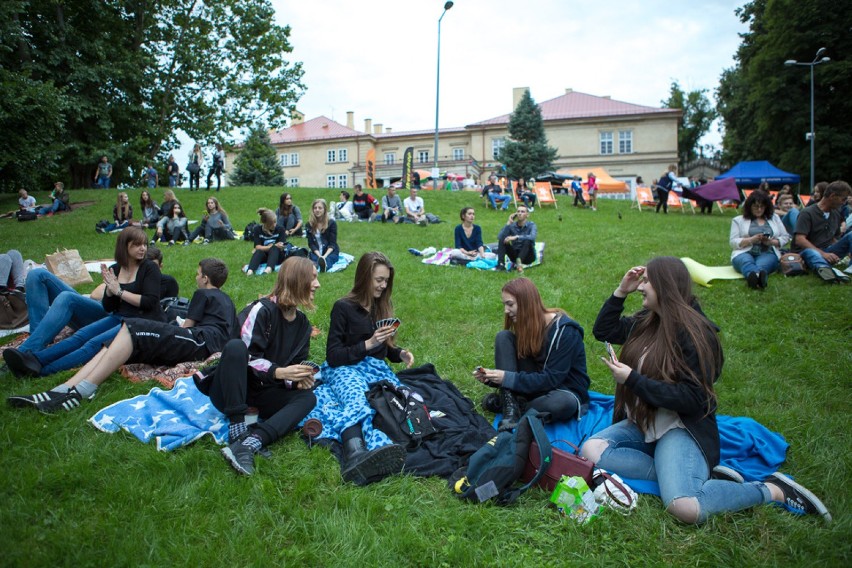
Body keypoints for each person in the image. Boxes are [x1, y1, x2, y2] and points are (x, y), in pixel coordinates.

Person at [582, 257, 831, 525]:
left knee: (685, 508)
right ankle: (693, 476)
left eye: (647, 281)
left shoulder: (695, 334)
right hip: (645, 421)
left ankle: (773, 490)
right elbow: (604, 331)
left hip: (680, 426)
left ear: (665, 286)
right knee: (591, 450)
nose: (641, 287)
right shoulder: (649, 320)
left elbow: (692, 399)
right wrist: (621, 291)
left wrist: (633, 379)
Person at [11, 259, 237, 414]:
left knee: (132, 326)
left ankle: (79, 391)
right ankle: (63, 389)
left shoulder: (204, 293)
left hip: (199, 339)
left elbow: (188, 326)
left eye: (198, 274)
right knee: (122, 333)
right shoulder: (226, 301)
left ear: (206, 279)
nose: (196, 278)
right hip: (203, 339)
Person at [195, 257, 320, 476]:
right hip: (233, 391)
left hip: (264, 395)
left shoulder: (302, 325)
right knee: (234, 348)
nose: (317, 285)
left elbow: (292, 368)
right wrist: (278, 372)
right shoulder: (262, 310)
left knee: (308, 397)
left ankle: (251, 441)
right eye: (313, 278)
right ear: (296, 280)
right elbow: (243, 356)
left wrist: (297, 380)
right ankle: (237, 429)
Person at [4, 227, 165, 381]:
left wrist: (119, 292)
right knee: (80, 336)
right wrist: (109, 291)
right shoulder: (115, 269)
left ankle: (40, 370)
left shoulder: (149, 268)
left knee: (92, 344)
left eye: (144, 244)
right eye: (137, 245)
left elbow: (150, 302)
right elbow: (108, 307)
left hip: (140, 322)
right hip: (118, 316)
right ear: (124, 246)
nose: (143, 248)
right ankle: (33, 358)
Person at [324, 252, 413, 484]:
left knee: (398, 400)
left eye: (386, 281)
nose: (384, 286)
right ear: (364, 277)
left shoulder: (381, 306)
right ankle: (355, 454)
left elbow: (382, 349)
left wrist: (399, 353)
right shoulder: (343, 307)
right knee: (356, 396)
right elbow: (333, 356)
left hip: (374, 368)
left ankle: (381, 449)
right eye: (379, 280)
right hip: (345, 367)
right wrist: (369, 343)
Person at [474, 277, 589, 431]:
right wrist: (492, 379)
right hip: (536, 385)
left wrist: (506, 378)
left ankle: (514, 406)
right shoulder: (527, 324)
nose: (506, 311)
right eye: (505, 305)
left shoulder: (566, 332)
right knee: (504, 337)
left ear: (526, 302)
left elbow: (552, 379)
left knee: (562, 403)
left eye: (510, 304)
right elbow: (528, 365)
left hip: (562, 388)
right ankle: (510, 406)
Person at [792, 180, 852, 281]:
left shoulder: (836, 213)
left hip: (827, 251)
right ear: (833, 196)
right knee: (811, 252)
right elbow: (800, 239)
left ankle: (849, 268)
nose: (844, 202)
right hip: (805, 253)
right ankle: (827, 271)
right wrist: (823, 254)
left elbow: (833, 238)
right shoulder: (807, 213)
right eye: (843, 199)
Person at [729, 190, 790, 289]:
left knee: (763, 264)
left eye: (762, 206)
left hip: (767, 252)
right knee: (746, 261)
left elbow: (785, 237)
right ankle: (756, 277)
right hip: (744, 251)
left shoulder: (775, 218)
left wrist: (771, 242)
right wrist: (751, 240)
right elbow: (733, 242)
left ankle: (755, 277)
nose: (759, 209)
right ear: (749, 207)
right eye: (755, 207)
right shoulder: (738, 220)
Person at [496, 205, 537, 272]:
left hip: (528, 256)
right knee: (502, 240)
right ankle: (501, 265)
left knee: (528, 240)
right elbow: (500, 237)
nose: (520, 213)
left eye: (522, 211)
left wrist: (516, 237)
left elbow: (532, 237)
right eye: (518, 211)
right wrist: (508, 223)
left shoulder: (531, 225)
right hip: (515, 254)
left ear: (527, 215)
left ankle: (519, 262)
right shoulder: (512, 226)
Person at [247, 208, 286, 276]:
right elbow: (257, 247)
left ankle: (268, 269)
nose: (274, 225)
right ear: (265, 223)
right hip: (264, 255)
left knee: (274, 248)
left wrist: (272, 247)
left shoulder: (280, 229)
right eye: (272, 223)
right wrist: (270, 246)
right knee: (259, 252)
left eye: (275, 222)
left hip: (277, 256)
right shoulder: (257, 229)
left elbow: (281, 246)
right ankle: (250, 271)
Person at [306, 199, 339, 273]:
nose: (317, 210)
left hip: (330, 251)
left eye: (320, 208)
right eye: (315, 208)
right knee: (312, 260)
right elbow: (311, 244)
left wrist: (324, 256)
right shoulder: (309, 224)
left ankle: (324, 265)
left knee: (329, 259)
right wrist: (319, 256)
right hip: (316, 251)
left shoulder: (331, 223)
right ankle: (316, 265)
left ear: (324, 210)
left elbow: (332, 244)